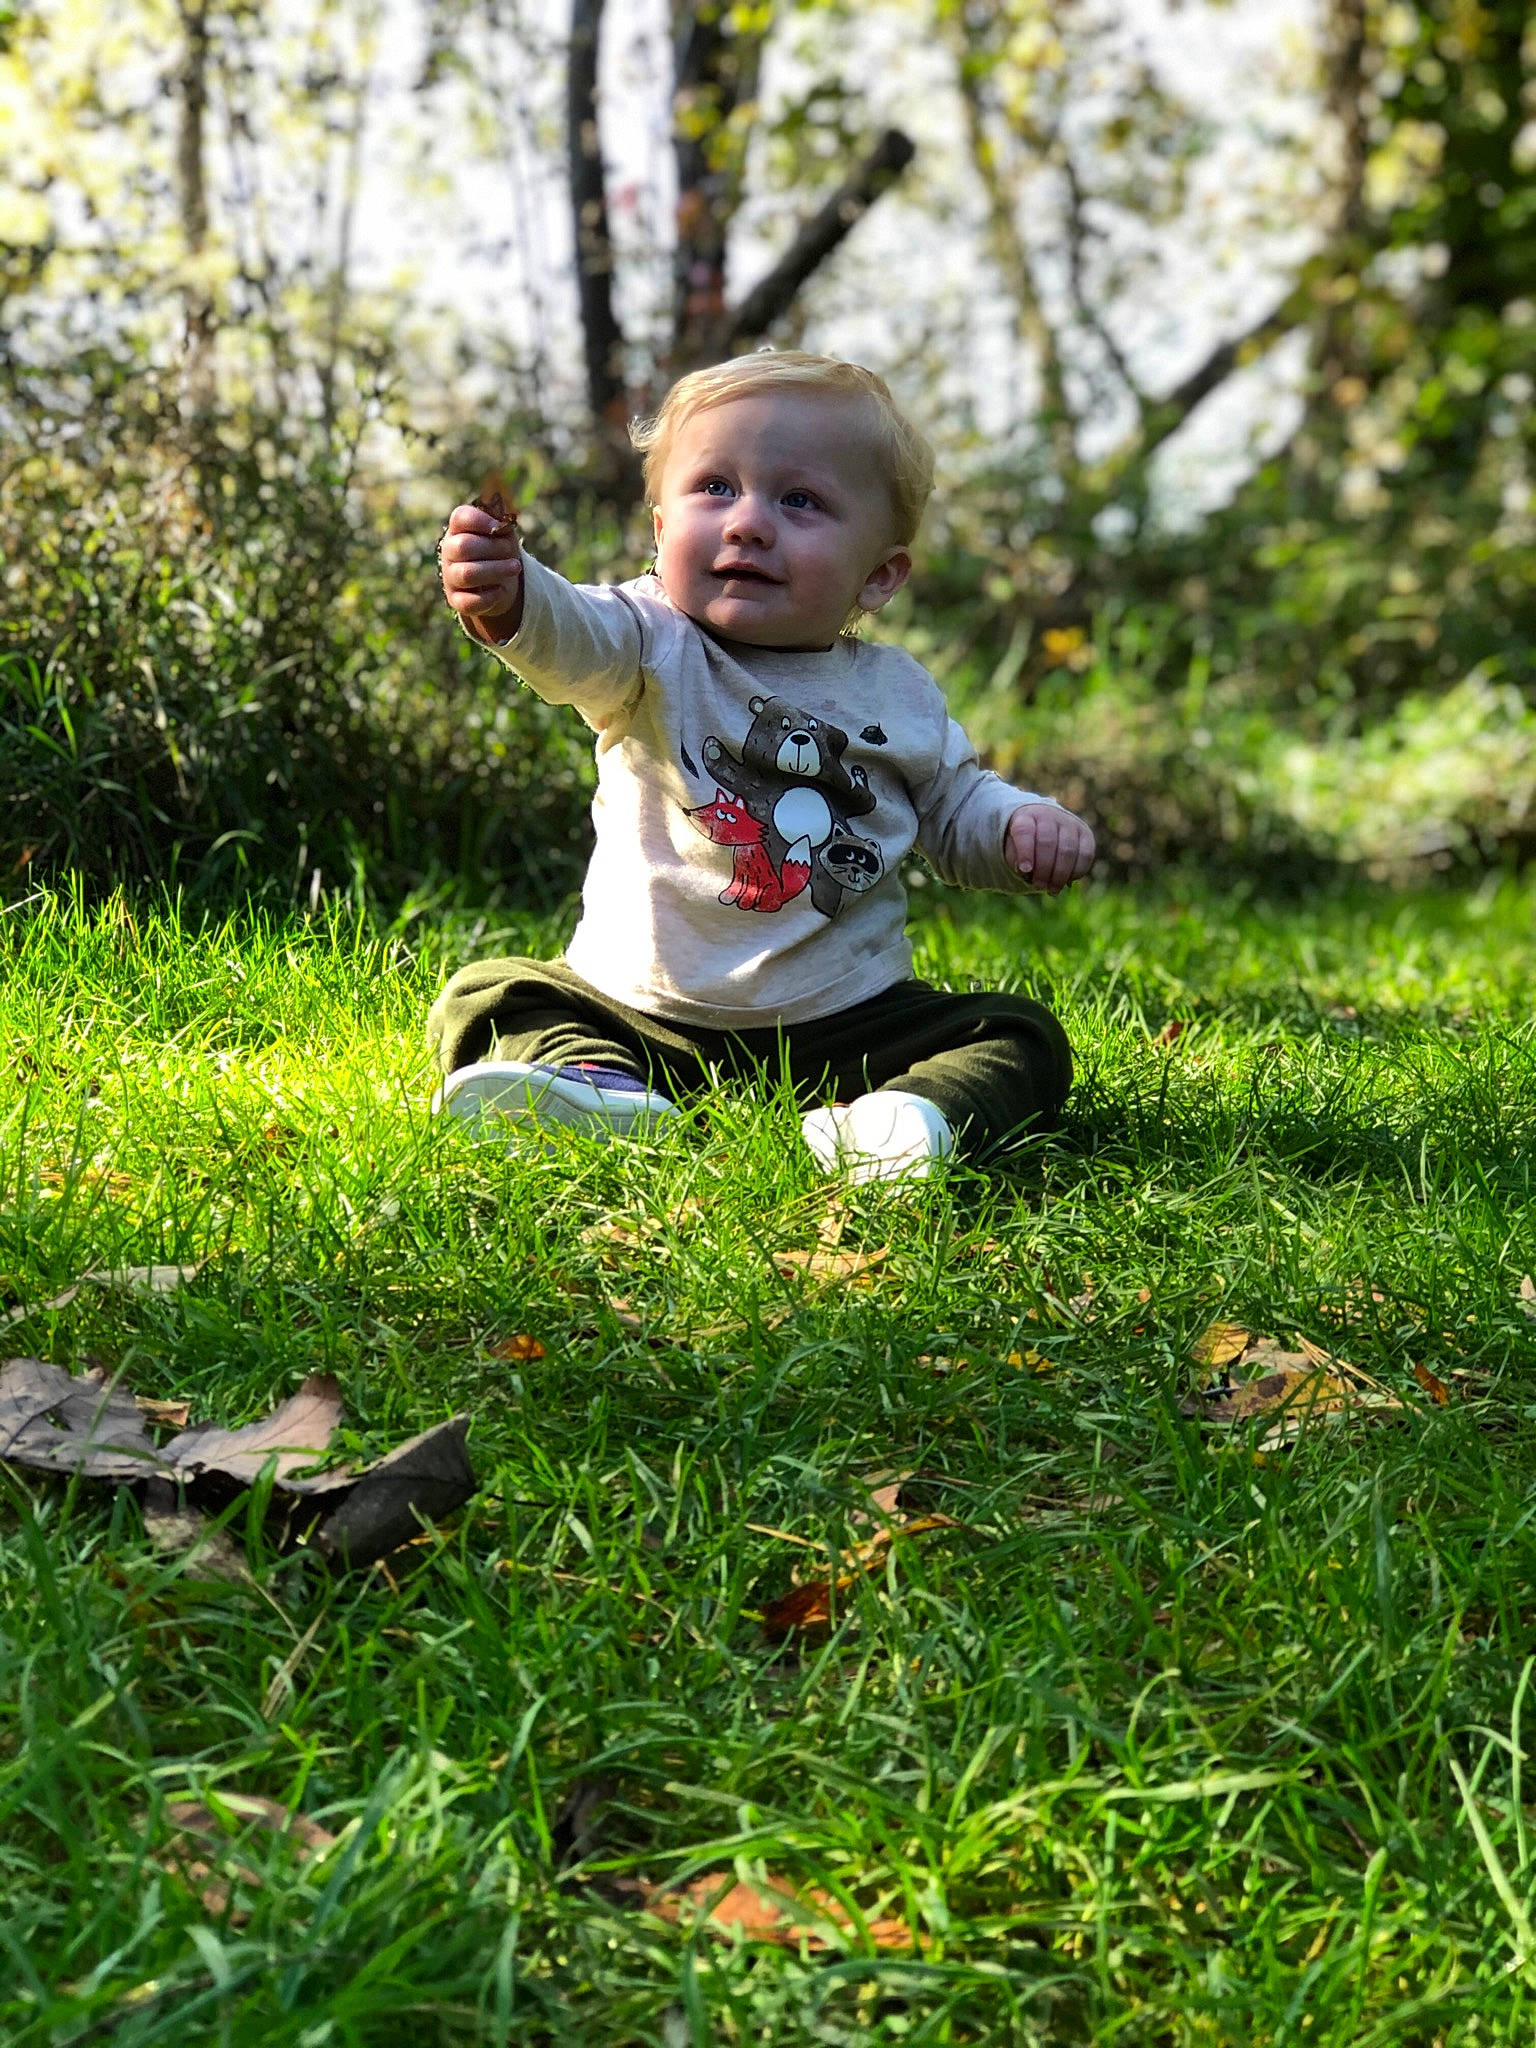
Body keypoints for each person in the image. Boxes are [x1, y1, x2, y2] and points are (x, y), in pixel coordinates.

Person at [430, 350, 1095, 1184]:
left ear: (879, 576)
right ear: (663, 531)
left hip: (845, 1022)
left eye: (801, 500)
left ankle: (900, 1121)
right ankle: (599, 1089)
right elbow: (573, 637)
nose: (748, 522)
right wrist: (513, 594)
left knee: (1018, 1034)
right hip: (640, 1006)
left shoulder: (896, 691)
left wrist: (1019, 826)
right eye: (715, 488)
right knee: (491, 993)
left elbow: (958, 808)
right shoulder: (648, 638)